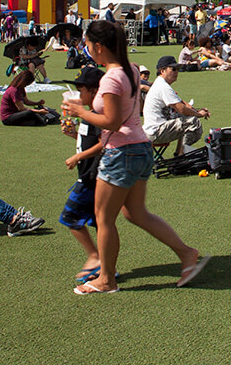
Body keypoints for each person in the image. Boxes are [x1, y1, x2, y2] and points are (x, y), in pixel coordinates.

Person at [60, 20, 208, 294]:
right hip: (139, 147)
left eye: (88, 44)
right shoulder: (129, 69)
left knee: (103, 217)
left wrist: (80, 111)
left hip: (122, 152)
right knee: (136, 212)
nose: (86, 49)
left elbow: (112, 121)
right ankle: (186, 253)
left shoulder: (111, 76)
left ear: (99, 46)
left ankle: (106, 279)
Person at [60, 66, 107, 284]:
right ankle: (106, 266)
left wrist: (77, 158)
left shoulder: (97, 115)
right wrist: (72, 133)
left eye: (81, 90)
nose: (78, 96)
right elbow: (87, 141)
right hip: (90, 174)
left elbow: (102, 144)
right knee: (99, 222)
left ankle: (95, 257)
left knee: (70, 216)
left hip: (91, 176)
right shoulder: (87, 115)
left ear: (94, 90)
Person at [143, 56, 211, 157]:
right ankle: (181, 156)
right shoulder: (163, 86)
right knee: (193, 122)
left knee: (185, 119)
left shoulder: (161, 84)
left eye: (178, 69)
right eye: (173, 69)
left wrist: (197, 111)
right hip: (155, 132)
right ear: (162, 71)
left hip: (154, 130)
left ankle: (180, 154)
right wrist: (198, 114)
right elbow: (181, 109)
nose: (176, 72)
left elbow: (182, 105)